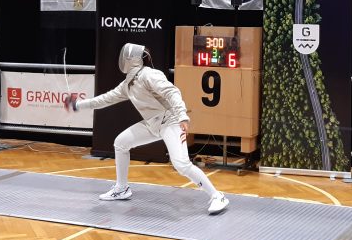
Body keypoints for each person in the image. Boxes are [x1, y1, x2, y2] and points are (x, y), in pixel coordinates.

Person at [65, 43, 229, 214]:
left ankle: (217, 196)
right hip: (152, 124)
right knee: (121, 143)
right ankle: (121, 188)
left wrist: (182, 116)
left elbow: (172, 92)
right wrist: (78, 104)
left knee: (181, 165)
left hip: (170, 121)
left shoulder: (149, 75)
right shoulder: (127, 84)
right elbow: (105, 99)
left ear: (131, 59)